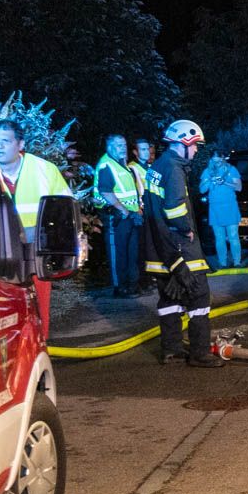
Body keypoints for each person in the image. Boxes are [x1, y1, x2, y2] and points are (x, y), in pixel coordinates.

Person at [142, 119, 223, 367]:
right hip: (181, 248)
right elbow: (175, 209)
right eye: (195, 145)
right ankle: (200, 353)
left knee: (169, 300)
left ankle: (172, 350)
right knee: (199, 299)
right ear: (183, 144)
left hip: (160, 250)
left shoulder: (157, 166)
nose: (197, 150)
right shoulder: (174, 169)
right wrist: (186, 229)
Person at [0, 119, 73, 243]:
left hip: (37, 245)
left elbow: (67, 208)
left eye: (6, 141)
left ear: (21, 144)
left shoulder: (45, 169)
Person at [93, 133, 143, 297]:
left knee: (131, 252)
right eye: (119, 145)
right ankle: (120, 288)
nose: (123, 148)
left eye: (124, 145)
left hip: (130, 215)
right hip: (116, 216)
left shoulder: (123, 165)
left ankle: (132, 285)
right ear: (110, 147)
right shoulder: (106, 165)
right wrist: (123, 210)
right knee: (118, 253)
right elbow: (106, 192)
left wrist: (137, 209)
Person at [200, 148, 244, 269]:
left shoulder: (231, 169)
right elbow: (202, 190)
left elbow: (239, 187)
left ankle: (237, 262)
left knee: (233, 236)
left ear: (223, 158)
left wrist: (224, 182)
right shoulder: (207, 172)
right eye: (214, 160)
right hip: (215, 208)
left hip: (230, 206)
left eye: (219, 160)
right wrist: (209, 181)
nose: (217, 163)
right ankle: (223, 263)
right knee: (219, 238)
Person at [131, 137, 157, 291]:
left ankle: (149, 277)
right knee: (142, 248)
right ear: (135, 152)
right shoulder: (132, 168)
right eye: (143, 149)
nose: (147, 152)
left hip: (153, 212)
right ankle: (143, 279)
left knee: (151, 247)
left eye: (148, 149)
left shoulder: (150, 167)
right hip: (142, 212)